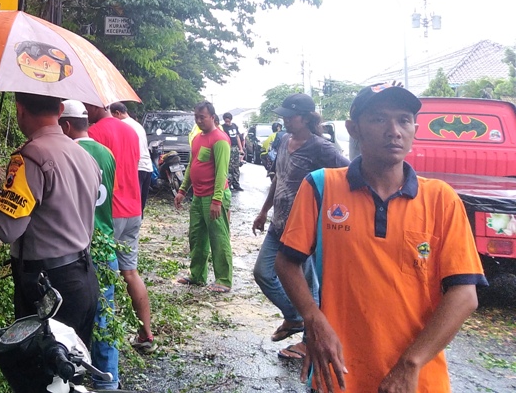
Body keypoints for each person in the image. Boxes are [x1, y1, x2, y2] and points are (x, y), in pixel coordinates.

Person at [275, 83, 486, 393]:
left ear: (415, 128)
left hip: (419, 379)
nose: (394, 131)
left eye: (403, 119)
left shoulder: (441, 199)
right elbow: (286, 262)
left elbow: (464, 295)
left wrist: (410, 364)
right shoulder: (321, 187)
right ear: (353, 128)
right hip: (339, 375)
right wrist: (313, 318)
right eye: (378, 119)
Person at [0, 93, 100, 348]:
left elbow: (7, 227)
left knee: (39, 374)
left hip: (47, 287)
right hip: (84, 276)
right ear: (61, 108)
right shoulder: (84, 155)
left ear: (20, 109)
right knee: (70, 370)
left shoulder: (30, 157)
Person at [251, 93, 348, 361]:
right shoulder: (283, 140)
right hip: (278, 223)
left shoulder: (322, 148)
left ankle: (308, 342)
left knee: (307, 286)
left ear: (305, 118)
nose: (284, 120)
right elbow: (278, 179)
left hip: (305, 229)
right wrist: (263, 211)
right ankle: (295, 318)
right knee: (263, 273)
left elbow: (349, 176)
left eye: (289, 116)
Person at [86, 103, 156, 353]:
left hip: (109, 214)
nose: (84, 109)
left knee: (101, 275)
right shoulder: (131, 131)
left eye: (86, 105)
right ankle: (146, 335)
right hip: (133, 209)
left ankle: (103, 343)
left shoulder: (93, 134)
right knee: (130, 273)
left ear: (95, 105)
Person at [60, 100, 120, 390]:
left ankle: (72, 378)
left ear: (66, 125)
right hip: (106, 244)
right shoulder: (107, 153)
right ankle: (107, 380)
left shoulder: (67, 153)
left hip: (78, 248)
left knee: (71, 320)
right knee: (105, 318)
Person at [175, 101, 233, 292]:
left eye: (203, 117)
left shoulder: (220, 139)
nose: (199, 121)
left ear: (213, 117)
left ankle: (223, 280)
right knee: (197, 237)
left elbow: (221, 173)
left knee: (218, 238)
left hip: (214, 196)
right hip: (198, 197)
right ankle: (197, 275)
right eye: (197, 117)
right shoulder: (198, 139)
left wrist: (217, 201)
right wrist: (183, 190)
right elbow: (192, 166)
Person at [109, 102, 152, 212]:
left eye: (112, 116)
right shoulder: (137, 125)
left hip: (136, 168)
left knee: (129, 205)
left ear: (117, 113)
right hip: (147, 167)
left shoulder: (123, 126)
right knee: (139, 205)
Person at [220, 112, 245, 191]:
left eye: (228, 121)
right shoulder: (222, 127)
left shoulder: (234, 126)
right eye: (226, 121)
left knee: (236, 166)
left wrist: (241, 148)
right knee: (229, 167)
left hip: (235, 148)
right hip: (228, 147)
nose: (227, 123)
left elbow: (237, 137)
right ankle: (228, 184)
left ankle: (236, 184)